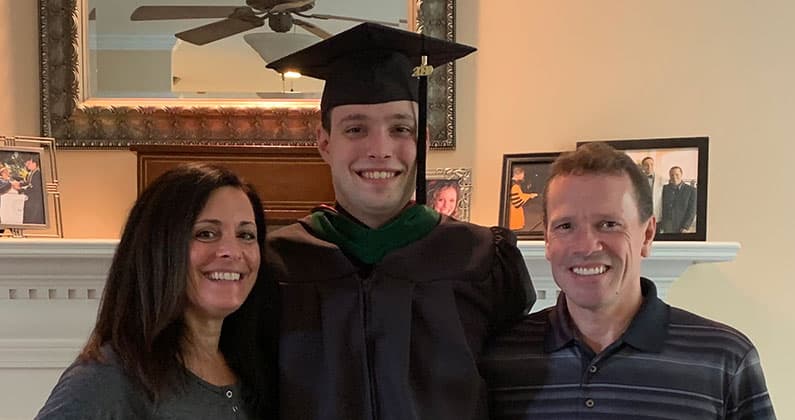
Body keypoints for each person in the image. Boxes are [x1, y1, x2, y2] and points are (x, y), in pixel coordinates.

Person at [231, 23, 535, 420]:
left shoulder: (482, 259)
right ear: (324, 142)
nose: (380, 149)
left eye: (400, 129)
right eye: (356, 129)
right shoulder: (272, 264)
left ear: (421, 141)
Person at [481, 142, 775, 419]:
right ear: (547, 239)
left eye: (609, 224)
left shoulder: (726, 358)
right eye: (565, 226)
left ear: (647, 235)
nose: (586, 246)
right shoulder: (498, 356)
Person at [35, 163, 277, 419]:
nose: (232, 251)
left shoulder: (253, 367)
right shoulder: (110, 378)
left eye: (246, 235)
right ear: (158, 248)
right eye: (206, 233)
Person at [660, 165, 697, 233]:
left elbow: (692, 211)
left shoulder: (691, 190)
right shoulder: (665, 188)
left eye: (677, 174)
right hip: (667, 225)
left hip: (682, 226)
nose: (674, 177)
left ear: (681, 175)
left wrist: (685, 226)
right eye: (672, 175)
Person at [509, 166, 539, 231]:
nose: (523, 177)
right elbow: (517, 203)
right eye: (523, 174)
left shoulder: (510, 183)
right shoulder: (515, 186)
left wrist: (529, 195)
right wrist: (529, 196)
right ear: (518, 174)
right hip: (514, 218)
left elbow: (519, 195)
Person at [18, 157, 45, 224]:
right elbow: (28, 183)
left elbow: (35, 188)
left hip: (35, 201)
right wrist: (20, 185)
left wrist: (22, 190)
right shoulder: (33, 173)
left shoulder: (37, 174)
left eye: (29, 163)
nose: (27, 165)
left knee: (32, 217)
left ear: (34, 163)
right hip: (32, 198)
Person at [640, 156, 664, 223]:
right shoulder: (638, 180)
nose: (649, 167)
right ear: (642, 166)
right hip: (643, 216)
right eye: (646, 165)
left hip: (657, 216)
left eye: (651, 164)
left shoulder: (662, 179)